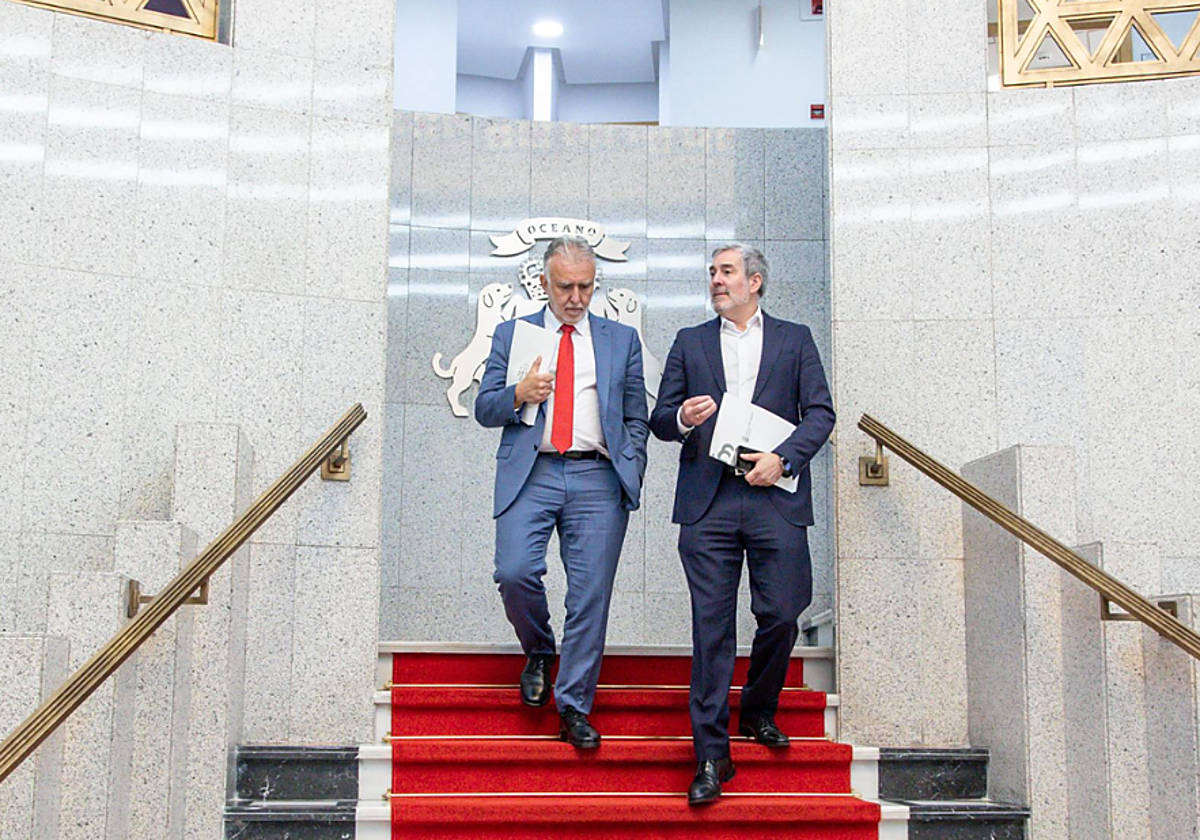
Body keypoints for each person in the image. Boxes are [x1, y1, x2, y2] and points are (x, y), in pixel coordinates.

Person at [649, 244, 835, 804]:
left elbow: (821, 413)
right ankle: (710, 755)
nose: (716, 281)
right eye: (712, 273)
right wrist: (682, 417)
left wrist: (786, 456)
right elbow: (661, 418)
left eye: (726, 272)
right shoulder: (690, 342)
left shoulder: (795, 338)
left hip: (773, 497)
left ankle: (757, 708)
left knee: (782, 611)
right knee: (711, 629)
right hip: (709, 502)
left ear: (755, 282)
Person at [475, 235, 649, 749]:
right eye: (565, 286)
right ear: (544, 283)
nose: (576, 297)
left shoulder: (621, 340)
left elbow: (636, 414)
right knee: (514, 571)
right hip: (533, 472)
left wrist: (631, 464)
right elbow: (486, 408)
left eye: (586, 286)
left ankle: (573, 706)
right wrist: (516, 395)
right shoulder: (515, 334)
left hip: (597, 476)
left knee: (589, 597)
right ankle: (538, 650)